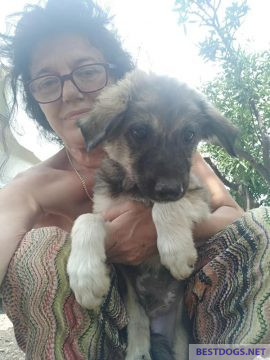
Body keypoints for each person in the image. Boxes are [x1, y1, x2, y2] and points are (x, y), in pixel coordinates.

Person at [0, 0, 269, 359]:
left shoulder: (179, 152)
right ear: (36, 98)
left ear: (113, 75)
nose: (71, 92)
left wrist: (160, 225)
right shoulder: (29, 188)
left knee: (264, 222)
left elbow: (239, 223)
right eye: (47, 81)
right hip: (105, 336)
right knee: (37, 251)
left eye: (87, 70)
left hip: (194, 322)